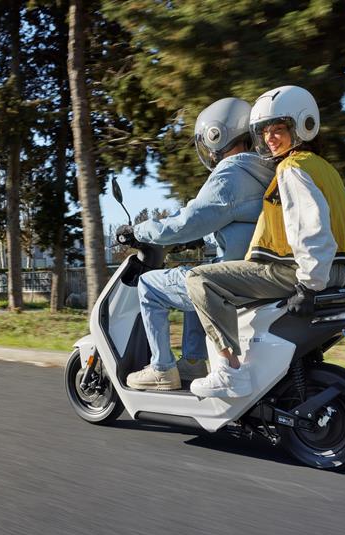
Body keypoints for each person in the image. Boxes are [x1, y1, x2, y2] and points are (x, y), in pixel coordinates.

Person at [185, 85, 345, 398]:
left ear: (303, 126)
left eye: (280, 129)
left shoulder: (291, 169)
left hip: (293, 273)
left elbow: (309, 230)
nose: (271, 137)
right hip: (331, 274)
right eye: (264, 131)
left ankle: (228, 370)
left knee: (198, 279)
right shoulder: (327, 171)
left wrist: (309, 285)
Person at [117, 97, 275, 391]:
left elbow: (190, 220)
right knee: (193, 273)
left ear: (218, 134)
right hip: (256, 271)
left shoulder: (231, 173)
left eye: (208, 140)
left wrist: (140, 231)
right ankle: (192, 362)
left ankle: (162, 368)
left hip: (235, 278)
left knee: (150, 285)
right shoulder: (262, 170)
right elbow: (223, 217)